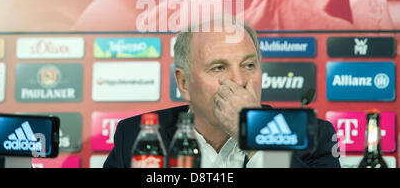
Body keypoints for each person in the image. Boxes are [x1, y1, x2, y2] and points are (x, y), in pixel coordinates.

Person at [104, 18, 341, 168]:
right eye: (219, 67)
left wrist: (256, 136)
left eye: (249, 65)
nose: (239, 81)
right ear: (184, 83)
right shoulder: (136, 135)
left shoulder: (314, 135)